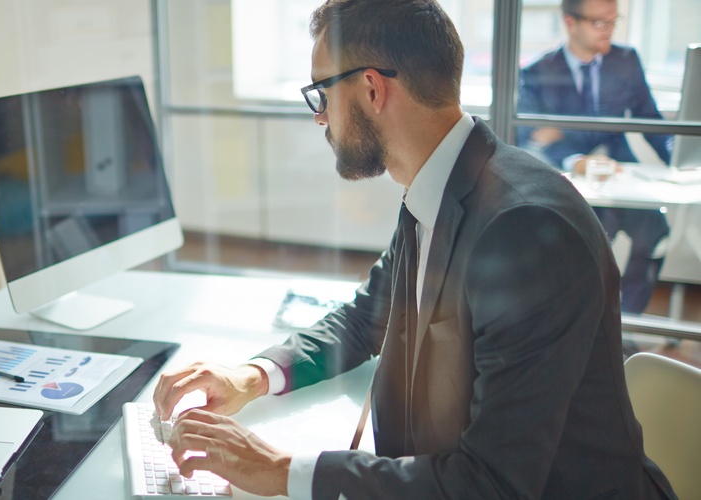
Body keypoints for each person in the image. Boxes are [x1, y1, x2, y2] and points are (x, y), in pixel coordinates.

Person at [152, 0, 676, 498]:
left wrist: (278, 470)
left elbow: (491, 485)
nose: (319, 118)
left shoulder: (526, 230)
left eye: (321, 95)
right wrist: (252, 375)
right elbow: (367, 317)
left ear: (371, 89)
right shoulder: (440, 184)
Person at [517, 0, 672, 314]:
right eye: (600, 23)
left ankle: (625, 320)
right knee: (587, 246)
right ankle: (582, 322)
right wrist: (575, 159)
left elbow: (650, 120)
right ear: (570, 22)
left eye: (613, 21)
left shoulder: (626, 61)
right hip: (572, 179)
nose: (609, 31)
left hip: (619, 173)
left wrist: (678, 156)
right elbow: (530, 138)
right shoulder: (537, 72)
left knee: (656, 232)